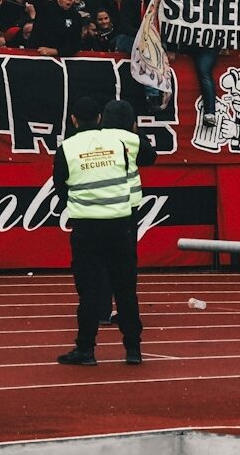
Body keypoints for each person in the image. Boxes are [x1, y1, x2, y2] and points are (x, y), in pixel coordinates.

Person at [53, 98, 156, 366]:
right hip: (120, 223)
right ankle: (133, 349)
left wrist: (81, 204)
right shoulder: (120, 140)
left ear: (73, 120)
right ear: (99, 118)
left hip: (86, 226)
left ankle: (86, 349)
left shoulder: (66, 148)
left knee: (88, 292)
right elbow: (148, 155)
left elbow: (60, 187)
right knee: (125, 289)